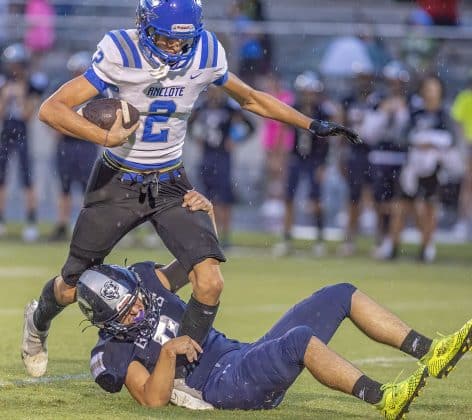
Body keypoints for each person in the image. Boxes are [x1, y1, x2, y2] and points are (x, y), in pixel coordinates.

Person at [21, 0, 361, 378]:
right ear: (145, 26)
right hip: (118, 179)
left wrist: (311, 124)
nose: (172, 47)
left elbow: (249, 98)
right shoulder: (121, 49)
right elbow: (52, 109)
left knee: (210, 281)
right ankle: (37, 321)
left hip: (169, 180)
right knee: (70, 287)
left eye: (180, 40)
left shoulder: (206, 51)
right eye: (165, 38)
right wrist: (104, 135)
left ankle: (184, 372)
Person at [75, 246, 471, 418]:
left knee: (339, 294)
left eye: (136, 299)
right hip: (220, 384)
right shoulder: (112, 353)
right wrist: (166, 355)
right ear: (107, 323)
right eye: (127, 313)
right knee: (299, 340)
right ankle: (383, 397)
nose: (139, 308)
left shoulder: (148, 279)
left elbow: (200, 258)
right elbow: (151, 401)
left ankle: (429, 351)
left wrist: (203, 214)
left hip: (240, 355)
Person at [376, 75, 457, 262]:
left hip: (434, 167)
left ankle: (426, 247)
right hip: (413, 166)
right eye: (427, 88)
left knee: (429, 207)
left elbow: (451, 140)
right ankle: (392, 245)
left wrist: (435, 144)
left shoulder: (444, 115)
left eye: (434, 88)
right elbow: (402, 137)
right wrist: (417, 142)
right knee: (401, 206)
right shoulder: (416, 114)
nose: (430, 92)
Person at [273, 71, 339, 257]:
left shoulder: (323, 111)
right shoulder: (294, 108)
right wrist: (280, 156)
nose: (308, 95)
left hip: (315, 160)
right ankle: (287, 238)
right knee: (288, 199)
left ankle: (319, 239)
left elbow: (328, 141)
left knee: (316, 199)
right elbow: (283, 131)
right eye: (305, 91)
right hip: (296, 157)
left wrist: (324, 165)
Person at [190, 86, 254, 248]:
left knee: (224, 198)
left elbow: (250, 126)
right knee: (205, 196)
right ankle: (209, 234)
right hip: (207, 156)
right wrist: (196, 138)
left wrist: (235, 139)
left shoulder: (229, 107)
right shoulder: (202, 106)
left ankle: (225, 236)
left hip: (223, 157)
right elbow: (189, 124)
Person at [49, 51, 99, 241]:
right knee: (64, 186)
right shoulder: (63, 91)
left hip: (86, 145)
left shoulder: (97, 93)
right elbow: (55, 122)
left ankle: (85, 228)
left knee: (87, 188)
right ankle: (62, 224)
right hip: (67, 144)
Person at [0, 43, 46, 241]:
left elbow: (27, 113)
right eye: (12, 65)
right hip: (6, 133)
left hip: (22, 133)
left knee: (27, 179)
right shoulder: (4, 83)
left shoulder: (32, 85)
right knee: (1, 178)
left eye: (18, 65)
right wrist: (5, 96)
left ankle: (31, 220)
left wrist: (19, 96)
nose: (15, 69)